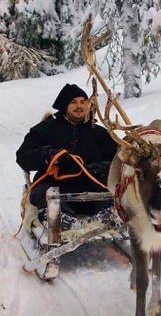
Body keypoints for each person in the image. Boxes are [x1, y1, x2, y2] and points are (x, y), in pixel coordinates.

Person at [17, 83, 118, 220]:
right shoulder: (46, 129)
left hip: (92, 187)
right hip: (54, 185)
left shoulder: (99, 132)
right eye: (73, 102)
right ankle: (63, 222)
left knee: (114, 188)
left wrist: (105, 167)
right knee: (46, 193)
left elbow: (119, 158)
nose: (79, 106)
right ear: (64, 105)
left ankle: (107, 217)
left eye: (83, 102)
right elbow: (23, 156)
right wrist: (48, 155)